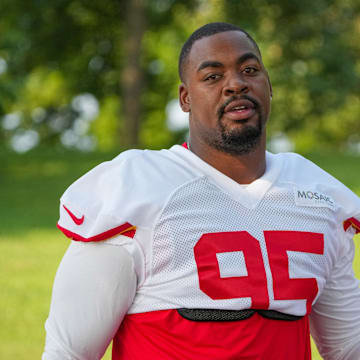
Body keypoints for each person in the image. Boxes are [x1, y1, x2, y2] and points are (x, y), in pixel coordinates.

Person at [42, 22, 360, 360]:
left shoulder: (317, 195)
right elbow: (69, 352)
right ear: (185, 98)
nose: (236, 84)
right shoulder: (137, 188)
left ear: (268, 85)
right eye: (212, 76)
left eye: (249, 70)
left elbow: (348, 347)